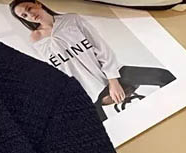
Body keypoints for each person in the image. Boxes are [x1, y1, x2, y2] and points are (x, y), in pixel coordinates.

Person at [10, 1, 176, 121]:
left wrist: (113, 81)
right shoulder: (35, 40)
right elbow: (57, 71)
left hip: (110, 72)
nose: (30, 15)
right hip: (86, 89)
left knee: (164, 76)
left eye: (29, 8)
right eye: (24, 15)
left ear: (38, 3)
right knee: (104, 127)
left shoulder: (71, 20)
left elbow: (101, 47)